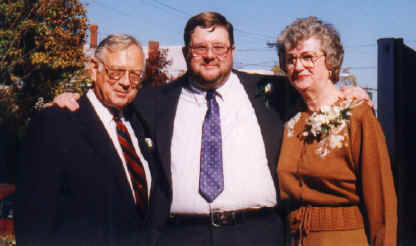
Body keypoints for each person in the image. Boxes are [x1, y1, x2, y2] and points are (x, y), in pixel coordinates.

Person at [52, 12, 370, 246]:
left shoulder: (272, 92)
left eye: (219, 47)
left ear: (232, 51)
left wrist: (349, 93)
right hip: (181, 235)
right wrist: (73, 98)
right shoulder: (152, 102)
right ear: (186, 52)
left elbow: (315, 89)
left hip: (258, 233)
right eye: (199, 48)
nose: (209, 55)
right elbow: (109, 103)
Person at [15, 34, 160, 246]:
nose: (126, 82)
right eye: (116, 72)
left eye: (135, 75)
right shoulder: (56, 123)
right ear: (94, 68)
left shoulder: (141, 124)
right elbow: (33, 220)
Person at [276, 16, 397, 246]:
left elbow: (381, 202)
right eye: (290, 59)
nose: (298, 66)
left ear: (330, 61)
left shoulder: (357, 115)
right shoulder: (290, 118)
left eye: (308, 57)